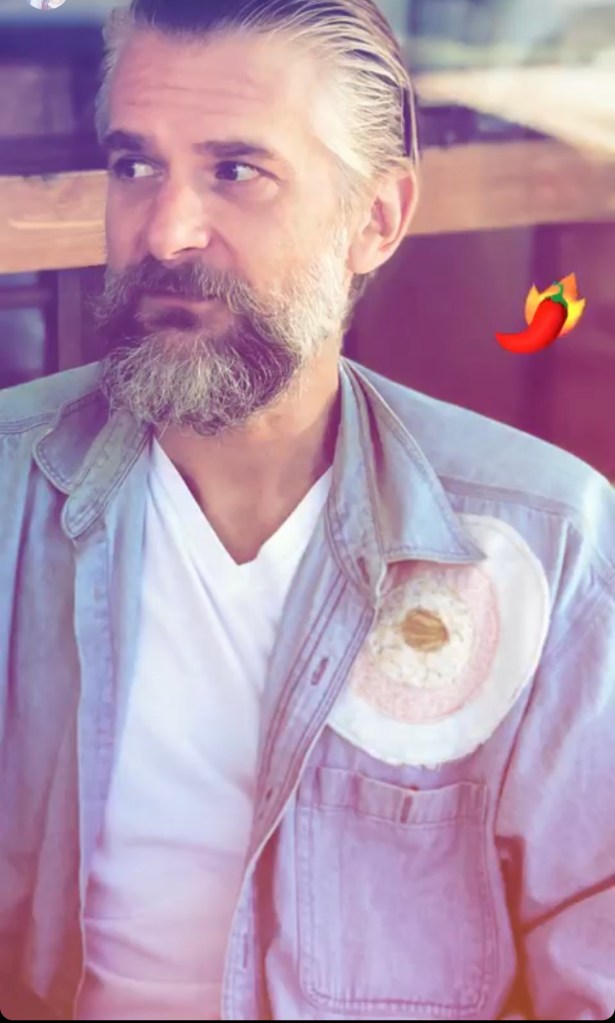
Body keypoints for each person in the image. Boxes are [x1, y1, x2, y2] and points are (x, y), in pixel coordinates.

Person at [0, 1, 613, 1019]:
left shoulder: (548, 543)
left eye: (237, 171)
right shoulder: (11, 496)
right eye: (135, 165)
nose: (166, 231)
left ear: (375, 219)